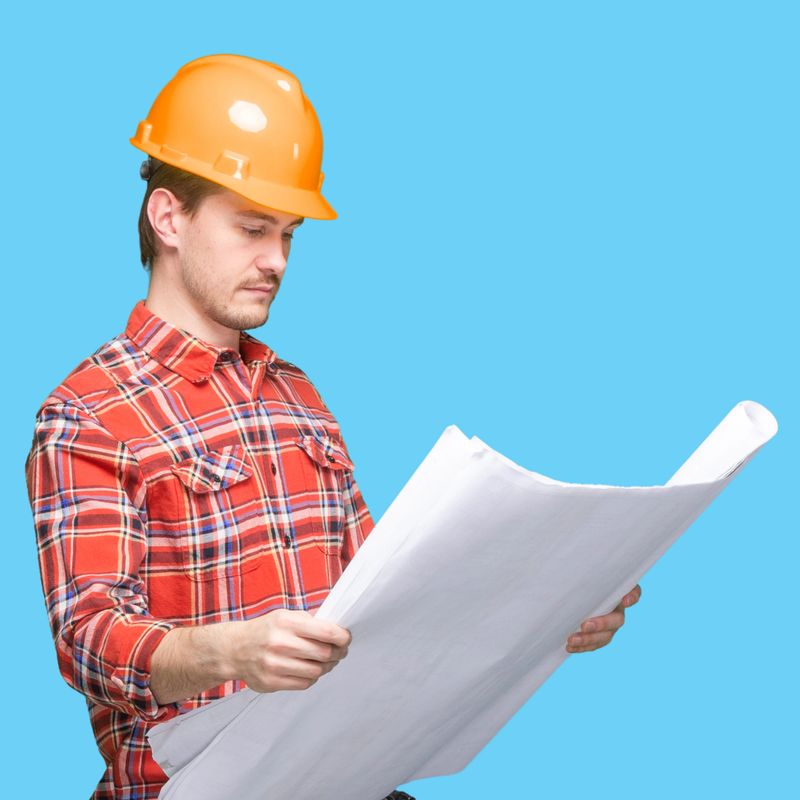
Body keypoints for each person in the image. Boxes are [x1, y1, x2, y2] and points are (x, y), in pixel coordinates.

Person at [23, 53, 641, 800]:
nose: (276, 260)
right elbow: (89, 640)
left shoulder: (298, 397)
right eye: (253, 228)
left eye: (288, 235)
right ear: (169, 217)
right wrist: (230, 652)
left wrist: (549, 608)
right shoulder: (89, 413)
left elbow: (392, 599)